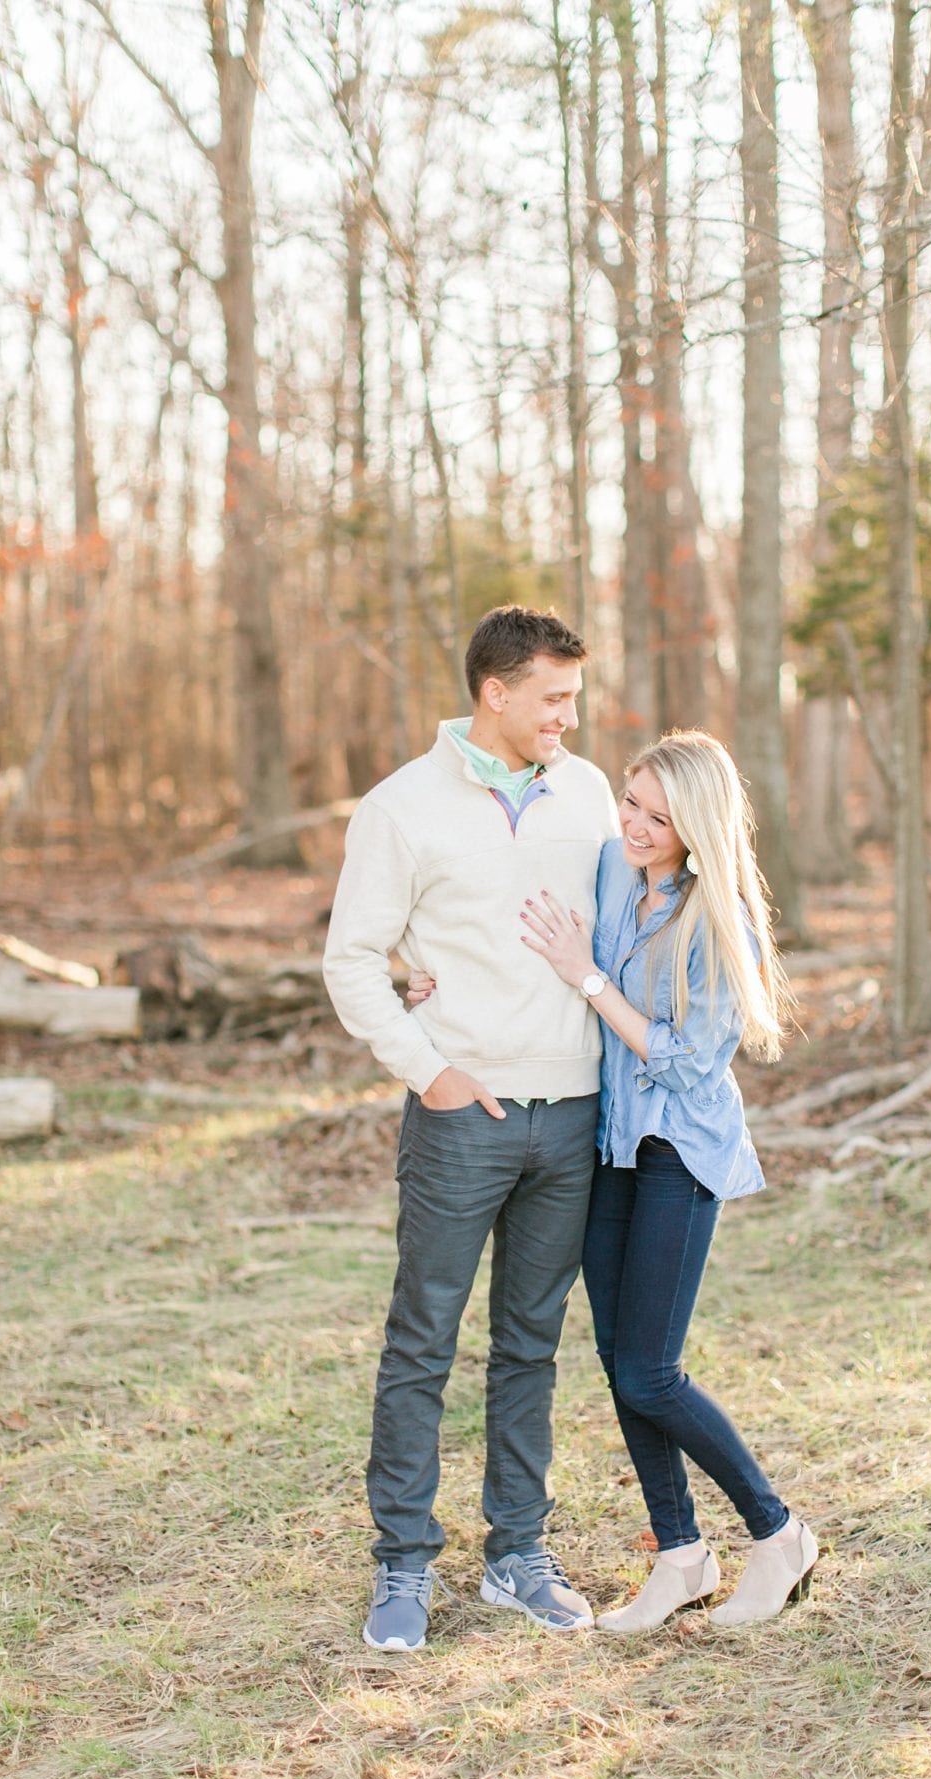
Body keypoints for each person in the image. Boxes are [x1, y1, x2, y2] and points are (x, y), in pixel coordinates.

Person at [322, 606, 619, 1653]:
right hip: (462, 1116)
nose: (568, 718)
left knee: (530, 1345)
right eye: (552, 698)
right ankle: (403, 1564)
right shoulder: (401, 808)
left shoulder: (589, 796)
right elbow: (351, 957)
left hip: (573, 1112)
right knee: (423, 1342)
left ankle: (517, 1556)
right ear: (494, 692)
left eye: (573, 699)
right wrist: (430, 1070)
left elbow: (625, 924)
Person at [514, 730, 817, 1629]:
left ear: (698, 823)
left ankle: (779, 1532)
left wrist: (591, 980)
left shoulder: (723, 920)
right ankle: (680, 1554)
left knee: (651, 1371)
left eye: (659, 814)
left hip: (680, 1152)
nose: (636, 825)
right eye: (631, 803)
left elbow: (687, 1062)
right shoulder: (611, 867)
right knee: (618, 1361)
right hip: (613, 1146)